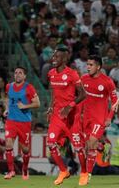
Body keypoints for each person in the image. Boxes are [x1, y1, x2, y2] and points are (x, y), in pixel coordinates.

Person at [46, 47, 87, 186]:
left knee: (78, 148)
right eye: (53, 56)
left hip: (71, 117)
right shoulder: (51, 73)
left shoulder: (72, 74)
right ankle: (63, 171)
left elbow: (83, 94)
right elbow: (53, 92)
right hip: (57, 116)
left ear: (64, 59)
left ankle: (84, 173)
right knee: (51, 144)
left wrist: (70, 106)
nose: (54, 59)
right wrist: (51, 107)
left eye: (57, 57)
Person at [80, 55, 118, 184]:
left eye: (91, 65)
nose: (88, 67)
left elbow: (115, 101)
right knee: (87, 147)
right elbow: (79, 97)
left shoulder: (107, 81)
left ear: (98, 67)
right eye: (87, 64)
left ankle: (87, 174)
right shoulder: (83, 79)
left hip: (99, 119)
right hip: (86, 118)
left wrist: (109, 118)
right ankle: (87, 170)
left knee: (91, 143)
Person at [3, 67, 40, 180]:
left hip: (24, 122)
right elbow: (7, 98)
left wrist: (25, 106)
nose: (17, 75)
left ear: (24, 76)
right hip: (11, 120)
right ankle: (11, 171)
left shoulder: (29, 87)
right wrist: (6, 109)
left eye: (20, 73)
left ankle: (24, 169)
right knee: (8, 143)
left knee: (25, 149)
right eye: (16, 73)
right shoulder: (9, 86)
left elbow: (37, 103)